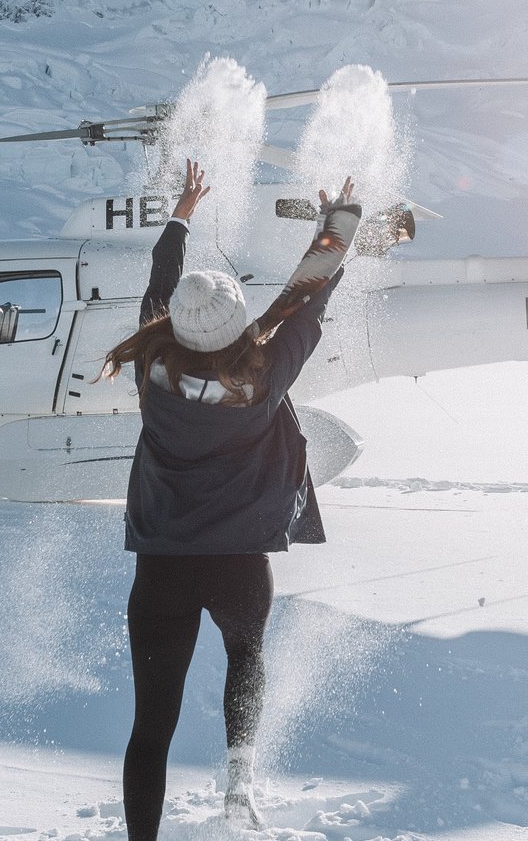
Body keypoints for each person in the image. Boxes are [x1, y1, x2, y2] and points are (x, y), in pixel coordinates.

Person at [103, 159, 360, 840]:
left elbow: (162, 281)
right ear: (236, 324)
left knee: (150, 725)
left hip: (162, 569)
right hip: (242, 563)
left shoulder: (151, 368)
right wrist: (339, 222)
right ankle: (239, 782)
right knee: (247, 658)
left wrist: (183, 212)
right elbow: (311, 293)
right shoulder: (268, 375)